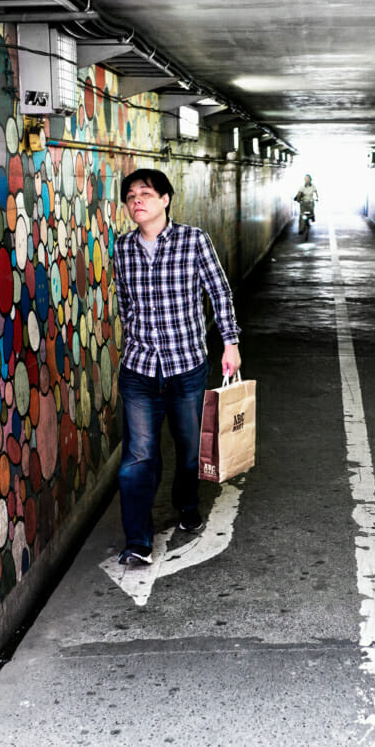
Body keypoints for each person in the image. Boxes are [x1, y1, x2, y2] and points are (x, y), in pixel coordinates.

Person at [111, 167, 242, 566]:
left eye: (146, 193)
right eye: (131, 195)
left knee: (188, 450)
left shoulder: (193, 241)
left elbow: (218, 292)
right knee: (138, 457)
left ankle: (187, 505)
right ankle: (137, 541)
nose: (137, 200)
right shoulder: (122, 247)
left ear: (165, 199)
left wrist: (230, 343)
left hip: (186, 366)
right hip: (139, 369)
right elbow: (124, 302)